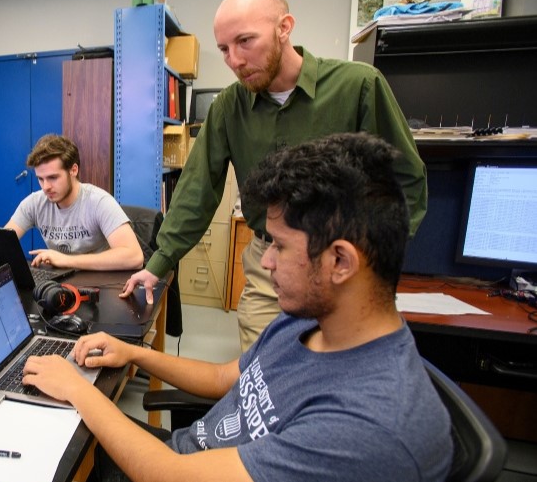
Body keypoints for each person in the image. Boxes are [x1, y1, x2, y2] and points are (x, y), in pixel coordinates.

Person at [24, 133, 452, 482]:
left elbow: (169, 475)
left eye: (279, 247)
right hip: (181, 453)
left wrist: (79, 389)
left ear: (340, 261)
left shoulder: (366, 427)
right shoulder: (307, 323)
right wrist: (135, 353)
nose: (264, 261)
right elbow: (222, 376)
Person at [121, 0, 428, 351]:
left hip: (346, 270)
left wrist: (378, 260)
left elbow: (406, 180)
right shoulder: (228, 108)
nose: (234, 60)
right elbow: (196, 191)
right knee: (262, 381)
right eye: (223, 49)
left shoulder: (358, 86)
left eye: (245, 41)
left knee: (339, 381)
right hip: (270, 266)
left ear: (284, 27)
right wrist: (159, 263)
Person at [0, 134, 143, 275]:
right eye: (40, 179)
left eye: (53, 177)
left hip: (101, 285)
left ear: (73, 170)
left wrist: (66, 260)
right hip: (58, 284)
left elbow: (134, 256)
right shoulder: (35, 203)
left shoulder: (99, 202)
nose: (46, 187)